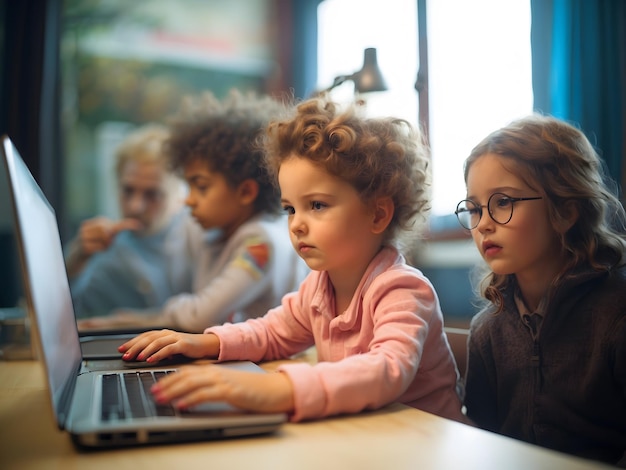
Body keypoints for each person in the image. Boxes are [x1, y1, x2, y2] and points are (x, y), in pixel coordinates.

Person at [118, 96, 466, 424]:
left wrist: (282, 388)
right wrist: (207, 342)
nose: (297, 223)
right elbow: (272, 333)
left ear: (377, 215)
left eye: (317, 205)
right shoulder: (319, 286)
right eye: (290, 208)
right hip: (370, 432)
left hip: (427, 441)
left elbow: (386, 369)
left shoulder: (403, 290)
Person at [455, 114, 626, 467]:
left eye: (503, 202)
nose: (483, 223)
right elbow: (483, 440)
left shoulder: (616, 315)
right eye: (473, 208)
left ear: (565, 212)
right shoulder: (488, 330)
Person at [79, 90, 306, 333]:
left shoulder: (259, 243)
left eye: (201, 187)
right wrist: (126, 320)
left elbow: (200, 317)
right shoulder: (219, 238)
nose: (188, 200)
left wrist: (163, 312)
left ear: (246, 192)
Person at [66, 123, 198, 319]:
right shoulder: (105, 248)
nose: (135, 206)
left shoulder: (202, 239)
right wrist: (76, 258)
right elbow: (65, 315)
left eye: (152, 194)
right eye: (127, 190)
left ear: (181, 195)